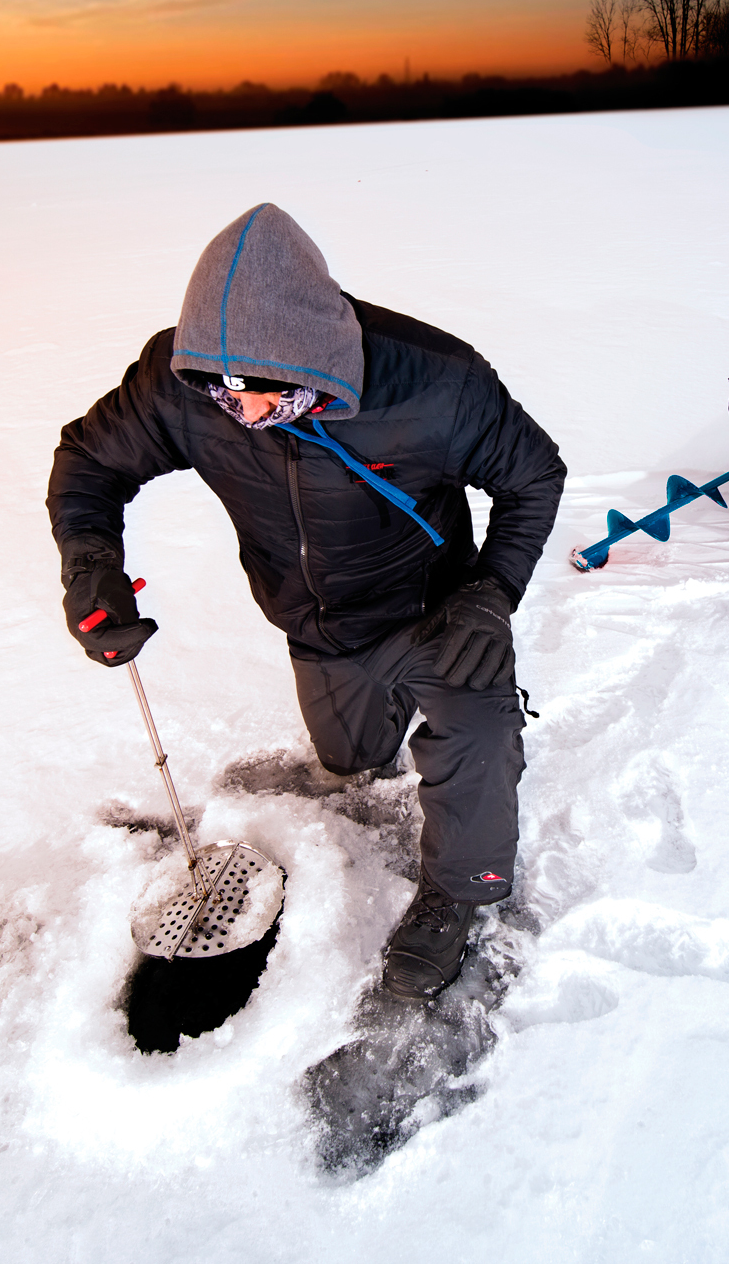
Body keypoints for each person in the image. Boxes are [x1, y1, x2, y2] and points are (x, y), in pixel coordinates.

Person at [47, 203, 566, 1000]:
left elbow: (533, 475)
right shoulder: (184, 385)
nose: (244, 412)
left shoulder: (435, 384)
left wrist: (492, 594)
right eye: (222, 395)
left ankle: (463, 888)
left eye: (260, 391)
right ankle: (370, 724)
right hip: (319, 624)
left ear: (315, 359)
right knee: (350, 758)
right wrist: (89, 562)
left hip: (436, 605)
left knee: (478, 728)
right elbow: (89, 461)